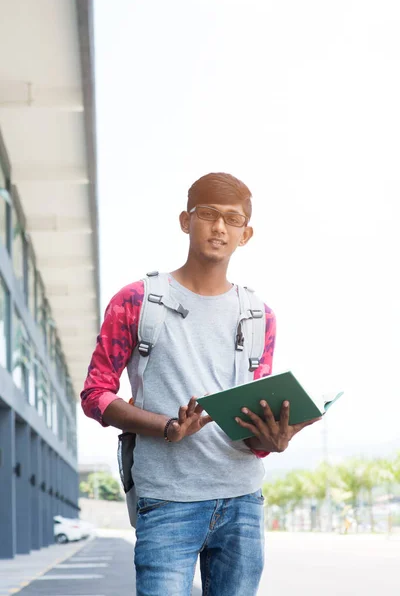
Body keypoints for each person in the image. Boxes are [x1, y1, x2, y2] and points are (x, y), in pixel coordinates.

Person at [81, 172, 320, 595]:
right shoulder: (136, 301)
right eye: (207, 214)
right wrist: (166, 427)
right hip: (167, 500)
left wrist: (272, 440)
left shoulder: (260, 315)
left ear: (246, 234)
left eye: (232, 219)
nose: (219, 227)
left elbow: (250, 421)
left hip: (242, 502)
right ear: (184, 221)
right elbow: (96, 393)